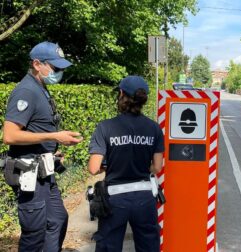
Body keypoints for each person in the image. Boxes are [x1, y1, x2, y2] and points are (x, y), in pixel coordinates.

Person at [2, 41, 83, 251]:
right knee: (35, 232)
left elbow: (36, 129)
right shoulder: (26, 91)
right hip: (29, 173)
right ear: (37, 64)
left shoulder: (41, 89)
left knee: (57, 219)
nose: (60, 72)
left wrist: (52, 152)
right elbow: (10, 135)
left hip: (44, 172)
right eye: (56, 68)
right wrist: (55, 135)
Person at [88, 75, 164, 252]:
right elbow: (157, 166)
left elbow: (93, 168)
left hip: (114, 200)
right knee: (149, 247)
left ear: (121, 94)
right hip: (145, 199)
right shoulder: (154, 128)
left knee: (109, 246)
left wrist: (112, 166)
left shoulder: (105, 127)